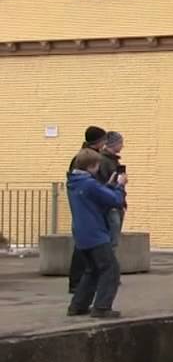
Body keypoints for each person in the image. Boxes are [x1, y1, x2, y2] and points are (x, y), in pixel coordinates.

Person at [66, 148, 127, 319]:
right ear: (92, 166)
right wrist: (120, 186)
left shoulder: (73, 182)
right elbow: (115, 200)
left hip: (81, 233)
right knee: (111, 269)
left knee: (92, 269)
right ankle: (101, 307)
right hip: (95, 233)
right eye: (97, 165)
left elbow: (93, 197)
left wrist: (109, 186)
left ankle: (78, 305)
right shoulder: (89, 184)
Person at [67, 126, 107, 294]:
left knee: (84, 246)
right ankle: (78, 282)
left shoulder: (86, 157)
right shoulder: (85, 159)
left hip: (87, 206)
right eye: (103, 140)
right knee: (84, 247)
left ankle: (82, 282)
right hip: (87, 207)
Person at [99, 132, 126, 248]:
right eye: (120, 143)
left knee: (113, 240)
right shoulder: (104, 161)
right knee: (111, 241)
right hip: (110, 205)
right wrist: (118, 184)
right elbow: (102, 184)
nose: (122, 146)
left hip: (116, 202)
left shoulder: (113, 161)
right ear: (113, 144)